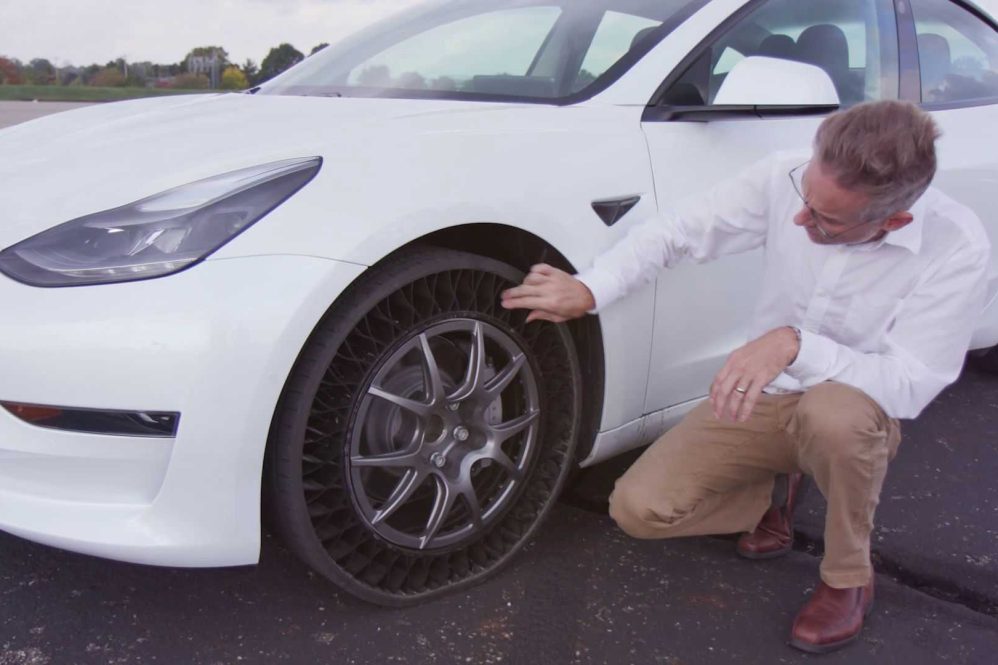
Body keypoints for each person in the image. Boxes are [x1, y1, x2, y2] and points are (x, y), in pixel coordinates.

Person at [500, 100, 990, 654]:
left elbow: (911, 382)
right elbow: (679, 231)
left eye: (827, 220)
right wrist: (591, 289)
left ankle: (848, 576)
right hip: (767, 395)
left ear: (893, 220)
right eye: (806, 199)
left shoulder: (957, 247)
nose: (802, 220)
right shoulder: (787, 175)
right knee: (639, 510)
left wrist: (795, 346)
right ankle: (770, 497)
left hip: (857, 403)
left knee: (831, 417)